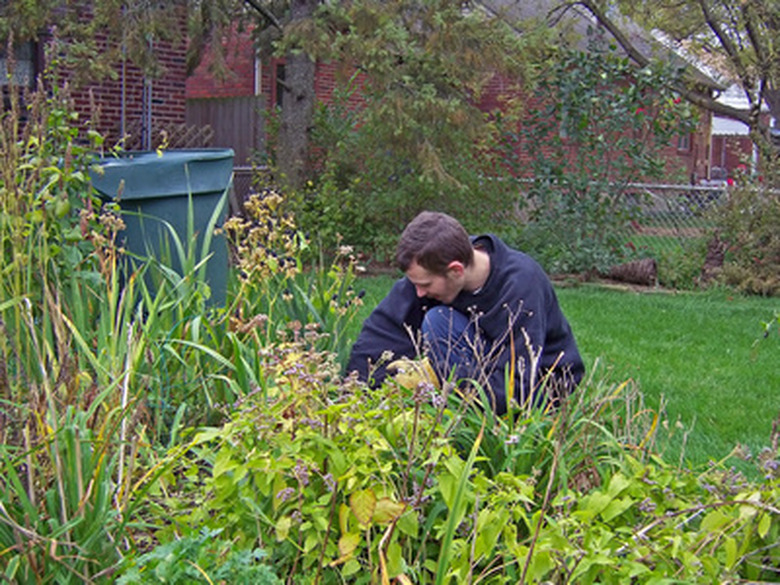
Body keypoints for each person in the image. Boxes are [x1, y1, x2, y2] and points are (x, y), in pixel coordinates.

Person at [346, 211, 584, 415]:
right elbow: (382, 331)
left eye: (426, 285)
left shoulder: (520, 285)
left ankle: (468, 425)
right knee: (439, 320)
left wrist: (439, 379)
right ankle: (458, 407)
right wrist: (354, 394)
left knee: (437, 321)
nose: (418, 292)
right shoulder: (434, 264)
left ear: (456, 270)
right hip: (481, 371)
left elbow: (518, 385)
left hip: (539, 386)